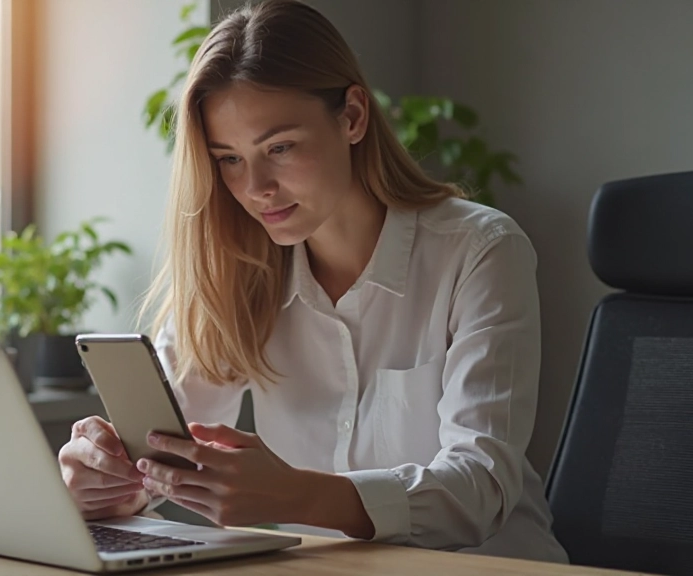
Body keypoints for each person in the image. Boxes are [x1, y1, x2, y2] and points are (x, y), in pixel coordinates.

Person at [58, 0, 568, 563]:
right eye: (229, 159)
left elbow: (480, 488)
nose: (256, 187)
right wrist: (109, 481)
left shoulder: (480, 250)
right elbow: (160, 450)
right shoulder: (234, 269)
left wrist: (296, 494)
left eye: (279, 148)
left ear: (352, 117)